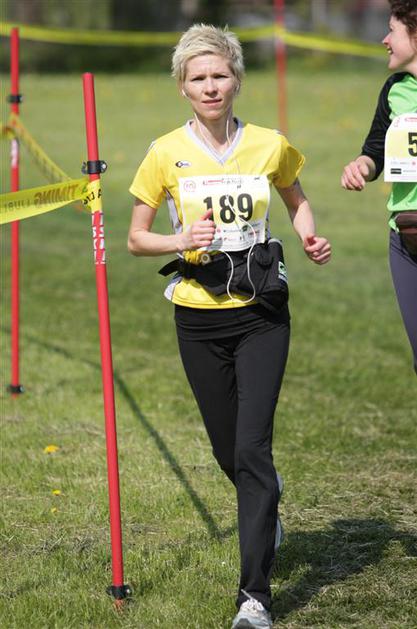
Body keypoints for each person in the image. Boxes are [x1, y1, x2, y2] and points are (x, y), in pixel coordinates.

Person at [128, 24, 331, 629]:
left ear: (237, 80)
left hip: (262, 313)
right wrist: (179, 239)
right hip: (197, 317)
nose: (211, 86)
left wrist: (309, 236)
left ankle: (254, 598)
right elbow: (137, 238)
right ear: (183, 87)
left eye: (220, 75)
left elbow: (296, 199)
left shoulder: (269, 144)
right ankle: (265, 501)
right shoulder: (164, 152)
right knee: (228, 449)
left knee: (250, 447)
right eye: (198, 78)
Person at [341, 0, 417, 375]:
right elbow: (375, 151)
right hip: (406, 237)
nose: (384, 40)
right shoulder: (394, 89)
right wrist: (362, 166)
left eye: (392, 30)